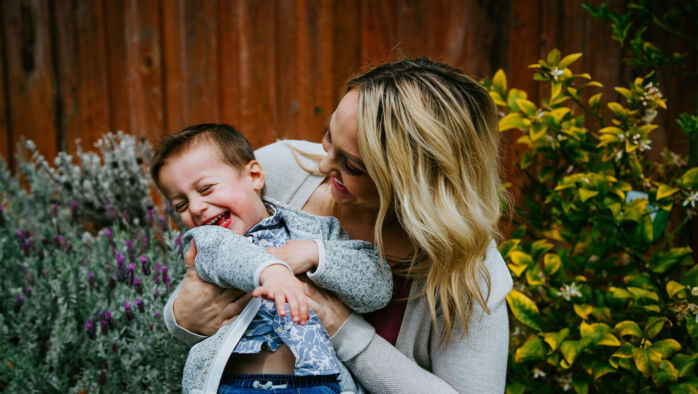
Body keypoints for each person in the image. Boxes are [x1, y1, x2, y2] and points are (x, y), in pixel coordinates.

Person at [164, 58, 514, 393]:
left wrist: (345, 332)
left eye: (353, 166)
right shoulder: (280, 170)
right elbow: (206, 272)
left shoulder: (471, 278)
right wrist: (183, 317)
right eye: (328, 137)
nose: (322, 165)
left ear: (416, 186)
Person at [151, 123, 392, 393]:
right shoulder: (207, 244)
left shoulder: (316, 232)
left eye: (206, 189)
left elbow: (376, 286)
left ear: (254, 176)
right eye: (181, 205)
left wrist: (316, 254)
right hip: (239, 386)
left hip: (319, 383)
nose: (195, 208)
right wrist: (270, 270)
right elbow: (230, 255)